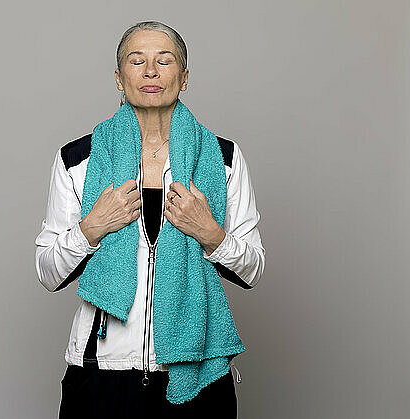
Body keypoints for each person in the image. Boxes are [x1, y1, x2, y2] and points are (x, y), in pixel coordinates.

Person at [35, 21, 265, 419]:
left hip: (197, 371)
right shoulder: (78, 160)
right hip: (102, 374)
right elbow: (48, 271)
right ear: (119, 78)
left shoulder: (223, 158)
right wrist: (91, 228)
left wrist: (211, 234)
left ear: (185, 77)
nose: (151, 71)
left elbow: (253, 268)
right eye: (136, 60)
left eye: (165, 60)